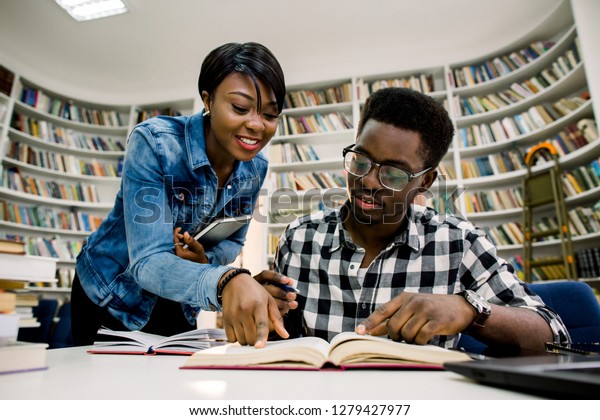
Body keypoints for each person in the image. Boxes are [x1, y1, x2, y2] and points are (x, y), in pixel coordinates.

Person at [275, 87, 570, 353]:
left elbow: (554, 336)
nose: (369, 181)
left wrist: (469, 310)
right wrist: (262, 308)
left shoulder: (459, 243)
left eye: (393, 174)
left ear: (425, 181)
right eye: (361, 160)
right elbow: (282, 342)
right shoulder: (299, 238)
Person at [72, 42, 295, 348]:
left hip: (177, 296)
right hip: (111, 293)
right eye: (240, 108)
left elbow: (232, 240)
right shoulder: (154, 143)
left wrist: (206, 260)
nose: (256, 125)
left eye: (270, 114)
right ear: (208, 99)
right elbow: (147, 262)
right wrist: (225, 280)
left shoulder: (256, 167)